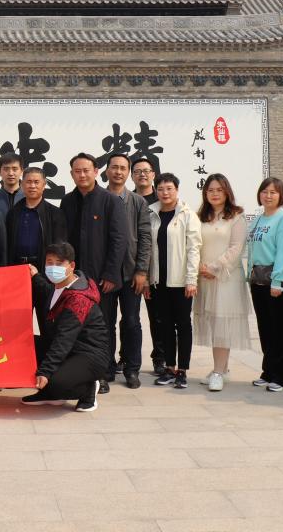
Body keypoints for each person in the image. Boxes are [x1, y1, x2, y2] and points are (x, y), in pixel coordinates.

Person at [60, 153, 127, 393]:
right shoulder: (67, 201)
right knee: (74, 325)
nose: (82, 175)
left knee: (103, 326)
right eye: (77, 171)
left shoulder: (110, 201)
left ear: (96, 172)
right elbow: (63, 241)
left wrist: (110, 274)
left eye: (86, 170)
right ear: (71, 174)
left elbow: (119, 240)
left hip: (101, 278)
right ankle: (78, 371)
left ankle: (103, 373)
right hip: (74, 279)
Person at [21, 242, 109, 413]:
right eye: (49, 262)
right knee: (25, 347)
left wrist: (45, 372)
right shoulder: (61, 286)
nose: (53, 267)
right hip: (69, 348)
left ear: (71, 266)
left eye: (59, 263)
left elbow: (64, 339)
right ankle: (49, 394)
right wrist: (35, 276)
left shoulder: (78, 300)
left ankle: (88, 390)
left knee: (56, 382)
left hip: (89, 354)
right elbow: (49, 292)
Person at [193, 173, 251, 392]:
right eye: (210, 190)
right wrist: (200, 267)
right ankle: (221, 368)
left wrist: (214, 267)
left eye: (219, 190)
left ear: (227, 192)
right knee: (213, 323)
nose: (215, 194)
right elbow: (195, 243)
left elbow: (236, 248)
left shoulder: (236, 216)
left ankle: (218, 372)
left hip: (226, 278)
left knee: (222, 324)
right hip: (205, 278)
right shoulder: (201, 216)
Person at [148, 173, 201, 389]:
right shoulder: (152, 213)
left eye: (169, 188)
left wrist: (191, 279)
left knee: (183, 324)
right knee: (165, 325)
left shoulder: (188, 215)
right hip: (159, 281)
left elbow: (194, 248)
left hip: (180, 282)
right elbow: (148, 249)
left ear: (177, 190)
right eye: (160, 189)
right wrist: (148, 279)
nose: (165, 193)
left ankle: (182, 370)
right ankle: (169, 368)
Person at [105, 153, 151, 389]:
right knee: (105, 323)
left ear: (128, 173)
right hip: (105, 275)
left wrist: (142, 270)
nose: (118, 172)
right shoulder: (98, 198)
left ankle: (132, 369)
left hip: (131, 274)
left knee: (132, 321)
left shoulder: (138, 202)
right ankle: (106, 369)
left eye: (123, 168)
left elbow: (145, 238)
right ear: (106, 171)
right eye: (114, 167)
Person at [248, 177, 283, 392]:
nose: (268, 196)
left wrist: (278, 281)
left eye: (273, 192)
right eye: (265, 191)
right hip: (258, 280)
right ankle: (268, 371)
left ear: (280, 195)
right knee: (265, 328)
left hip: (276, 283)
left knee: (280, 329)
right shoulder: (259, 218)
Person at [131, 156, 164, 375]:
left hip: (157, 269)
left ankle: (160, 358)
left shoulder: (162, 200)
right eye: (137, 171)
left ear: (153, 174)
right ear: (132, 175)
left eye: (146, 171)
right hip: (131, 268)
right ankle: (126, 358)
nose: (142, 174)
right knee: (130, 318)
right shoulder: (126, 199)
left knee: (158, 317)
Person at [6, 167, 67, 277]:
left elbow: (59, 246)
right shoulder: (13, 212)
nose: (32, 186)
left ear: (44, 185)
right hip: (16, 267)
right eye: (28, 182)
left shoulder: (55, 213)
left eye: (36, 182)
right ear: (22, 185)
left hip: (43, 269)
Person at [0, 152, 23, 219]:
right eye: (6, 169)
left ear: (21, 171)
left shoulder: (29, 198)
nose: (10, 173)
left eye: (14, 169)